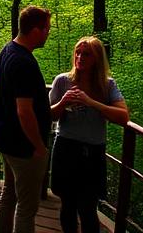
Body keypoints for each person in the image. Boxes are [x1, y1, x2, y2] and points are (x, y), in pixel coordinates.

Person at [49, 36, 129, 233]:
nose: (80, 57)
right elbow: (48, 114)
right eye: (77, 52)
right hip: (66, 147)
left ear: (97, 59)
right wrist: (63, 103)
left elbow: (123, 117)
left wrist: (90, 102)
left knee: (88, 207)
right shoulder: (62, 81)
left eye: (86, 54)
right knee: (67, 204)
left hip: (92, 151)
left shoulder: (107, 85)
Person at [0, 5, 53, 233]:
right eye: (46, 28)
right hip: (23, 147)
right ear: (35, 30)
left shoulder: (8, 50)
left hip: (5, 139)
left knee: (9, 193)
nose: (48, 33)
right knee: (27, 208)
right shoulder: (24, 63)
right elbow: (24, 111)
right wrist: (38, 146)